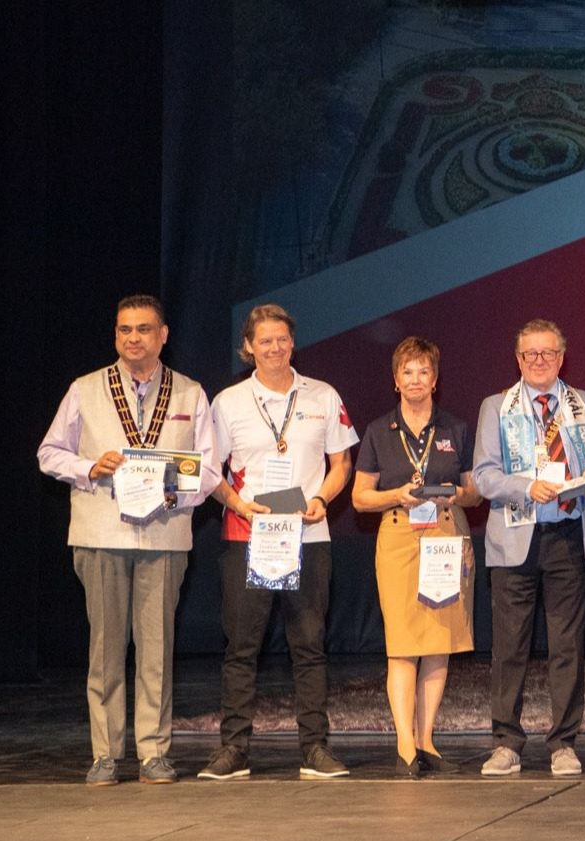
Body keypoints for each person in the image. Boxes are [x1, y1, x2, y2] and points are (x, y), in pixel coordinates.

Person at [37, 295, 217, 785]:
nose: (133, 338)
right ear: (115, 335)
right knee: (106, 648)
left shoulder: (190, 393)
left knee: (157, 650)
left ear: (163, 335)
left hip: (164, 533)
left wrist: (175, 490)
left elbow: (209, 469)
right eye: (124, 330)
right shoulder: (85, 388)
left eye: (143, 329)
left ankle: (154, 752)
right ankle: (105, 754)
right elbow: (49, 453)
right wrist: (89, 467)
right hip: (102, 532)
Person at [202, 303, 361, 781]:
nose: (275, 348)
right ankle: (233, 749)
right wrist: (237, 503)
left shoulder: (323, 396)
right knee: (241, 647)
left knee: (309, 645)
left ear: (293, 343)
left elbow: (342, 464)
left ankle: (315, 748)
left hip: (308, 536)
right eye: (265, 341)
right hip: (247, 536)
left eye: (282, 339)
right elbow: (210, 471)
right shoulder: (228, 402)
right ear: (248, 347)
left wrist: (322, 498)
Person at [473, 319, 585, 777]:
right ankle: (506, 744)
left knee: (567, 647)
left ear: (562, 357)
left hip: (568, 536)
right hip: (515, 539)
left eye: (548, 353)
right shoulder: (496, 406)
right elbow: (483, 476)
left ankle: (563, 744)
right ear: (518, 360)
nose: (539, 361)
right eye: (530, 354)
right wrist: (525, 487)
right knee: (509, 648)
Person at [350, 337, 482, 777]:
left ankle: (426, 740)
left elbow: (474, 493)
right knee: (404, 646)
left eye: (424, 371)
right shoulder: (378, 431)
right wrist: (397, 495)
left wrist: (454, 493)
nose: (415, 380)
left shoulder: (456, 429)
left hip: (445, 535)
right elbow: (360, 498)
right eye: (407, 372)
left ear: (435, 379)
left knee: (439, 644)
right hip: (399, 538)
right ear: (395, 380)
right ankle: (404, 744)